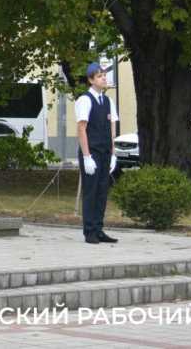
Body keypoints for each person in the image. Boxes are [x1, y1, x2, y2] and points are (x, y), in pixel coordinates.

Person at [75, 62, 119, 244]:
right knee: (91, 192)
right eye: (100, 76)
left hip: (105, 152)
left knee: (102, 192)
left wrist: (113, 153)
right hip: (91, 152)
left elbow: (112, 127)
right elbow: (81, 128)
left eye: (104, 75)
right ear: (91, 80)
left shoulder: (108, 101)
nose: (104, 78)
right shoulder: (84, 100)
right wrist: (86, 156)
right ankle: (90, 231)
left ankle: (99, 229)